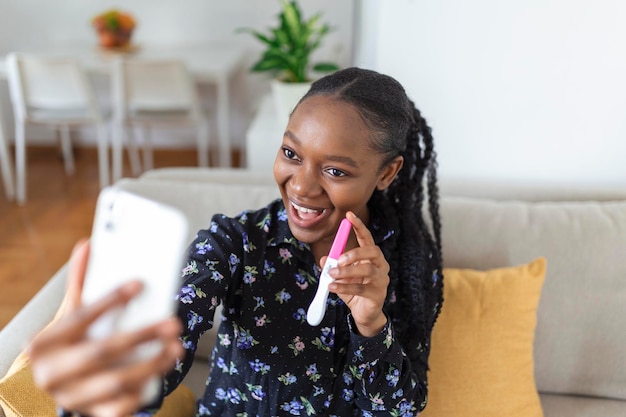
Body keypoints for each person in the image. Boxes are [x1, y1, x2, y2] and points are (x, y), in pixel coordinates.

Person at [28, 67, 444, 417]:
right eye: (291, 154)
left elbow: (401, 409)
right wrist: (108, 386)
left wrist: (371, 326)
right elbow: (166, 345)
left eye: (335, 172)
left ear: (387, 173)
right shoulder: (235, 244)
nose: (301, 186)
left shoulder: (407, 260)